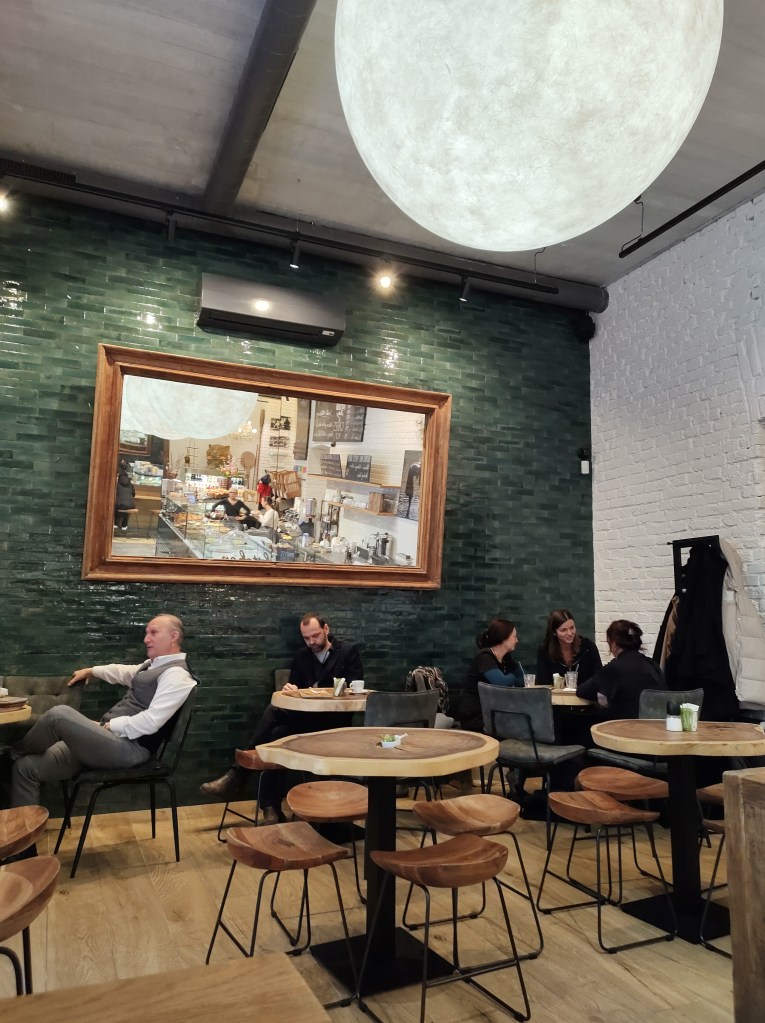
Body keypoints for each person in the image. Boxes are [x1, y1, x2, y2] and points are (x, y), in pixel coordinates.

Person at [9, 615, 196, 808]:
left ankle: (13, 753)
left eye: (153, 633)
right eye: (147, 633)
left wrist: (109, 726)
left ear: (173, 636)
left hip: (130, 749)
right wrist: (91, 671)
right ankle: (25, 827)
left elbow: (152, 721)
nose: (146, 639)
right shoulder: (152, 666)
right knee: (25, 768)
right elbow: (122, 672)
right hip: (108, 743)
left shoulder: (177, 675)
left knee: (59, 715)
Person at [199, 612, 362, 823]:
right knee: (277, 733)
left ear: (326, 629)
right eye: (306, 638)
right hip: (306, 720)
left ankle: (239, 777)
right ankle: (271, 807)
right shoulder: (301, 656)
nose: (311, 642)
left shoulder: (347, 652)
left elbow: (356, 688)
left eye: (315, 635)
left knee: (276, 719)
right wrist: (291, 689)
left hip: (333, 724)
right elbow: (295, 690)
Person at [576, 619, 665, 718]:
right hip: (657, 723)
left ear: (613, 643)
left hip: (625, 725)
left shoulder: (613, 669)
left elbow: (582, 691)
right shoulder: (653, 665)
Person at [453, 618, 524, 732]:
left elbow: (523, 678)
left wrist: (512, 678)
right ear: (503, 638)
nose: (517, 640)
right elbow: (501, 682)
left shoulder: (506, 659)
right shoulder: (485, 658)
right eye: (514, 636)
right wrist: (513, 677)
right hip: (476, 716)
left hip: (491, 712)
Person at [535, 609, 602, 687]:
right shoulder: (545, 650)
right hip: (556, 694)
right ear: (554, 632)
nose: (570, 633)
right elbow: (543, 682)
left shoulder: (588, 647)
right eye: (563, 630)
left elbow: (600, 677)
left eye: (572, 628)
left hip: (585, 694)